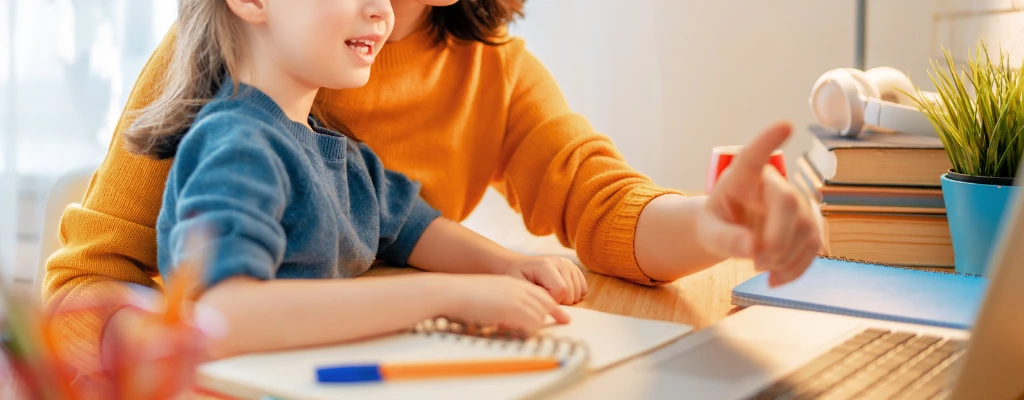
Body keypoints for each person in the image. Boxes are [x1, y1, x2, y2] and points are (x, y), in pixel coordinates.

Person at [43, 0, 821, 388]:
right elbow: (89, 296)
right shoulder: (231, 104)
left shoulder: (469, 80)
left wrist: (720, 228)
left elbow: (598, 203)